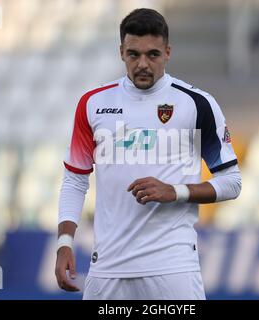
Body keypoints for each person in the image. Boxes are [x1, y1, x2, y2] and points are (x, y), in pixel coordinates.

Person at [55, 8, 241, 300]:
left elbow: (232, 182)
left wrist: (175, 191)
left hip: (173, 266)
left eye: (152, 54)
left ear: (168, 52)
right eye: (133, 54)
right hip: (107, 267)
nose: (143, 64)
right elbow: (75, 180)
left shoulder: (197, 104)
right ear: (121, 52)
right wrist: (64, 242)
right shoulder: (93, 104)